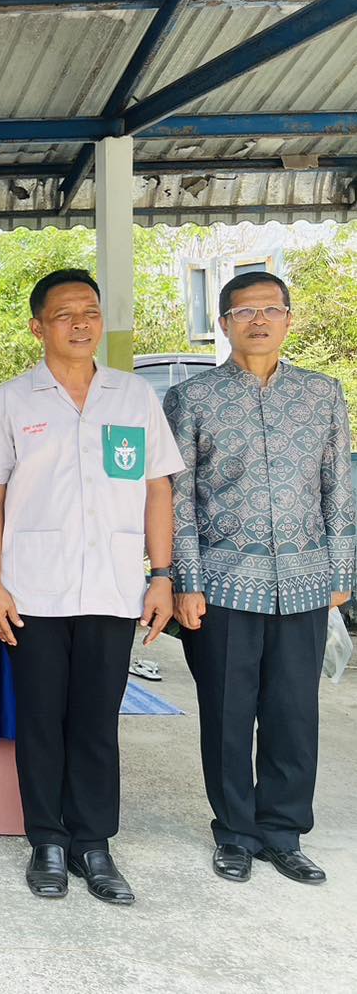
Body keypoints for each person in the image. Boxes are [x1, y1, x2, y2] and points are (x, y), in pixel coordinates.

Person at [0, 268, 182, 906]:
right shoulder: (10, 401)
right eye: (64, 314)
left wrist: (161, 575)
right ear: (39, 327)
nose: (80, 324)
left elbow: (157, 489)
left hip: (112, 586)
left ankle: (94, 843)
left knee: (96, 721)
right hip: (33, 590)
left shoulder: (133, 397)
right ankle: (48, 842)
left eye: (90, 311)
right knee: (40, 720)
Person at [164, 270, 355, 887]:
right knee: (227, 712)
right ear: (224, 324)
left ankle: (282, 832)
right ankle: (235, 833)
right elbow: (177, 497)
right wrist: (185, 579)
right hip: (222, 582)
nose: (259, 321)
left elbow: (339, 485)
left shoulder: (322, 395)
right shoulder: (193, 399)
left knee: (294, 712)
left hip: (305, 580)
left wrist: (341, 569)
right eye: (245, 311)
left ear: (289, 319)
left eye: (271, 310)